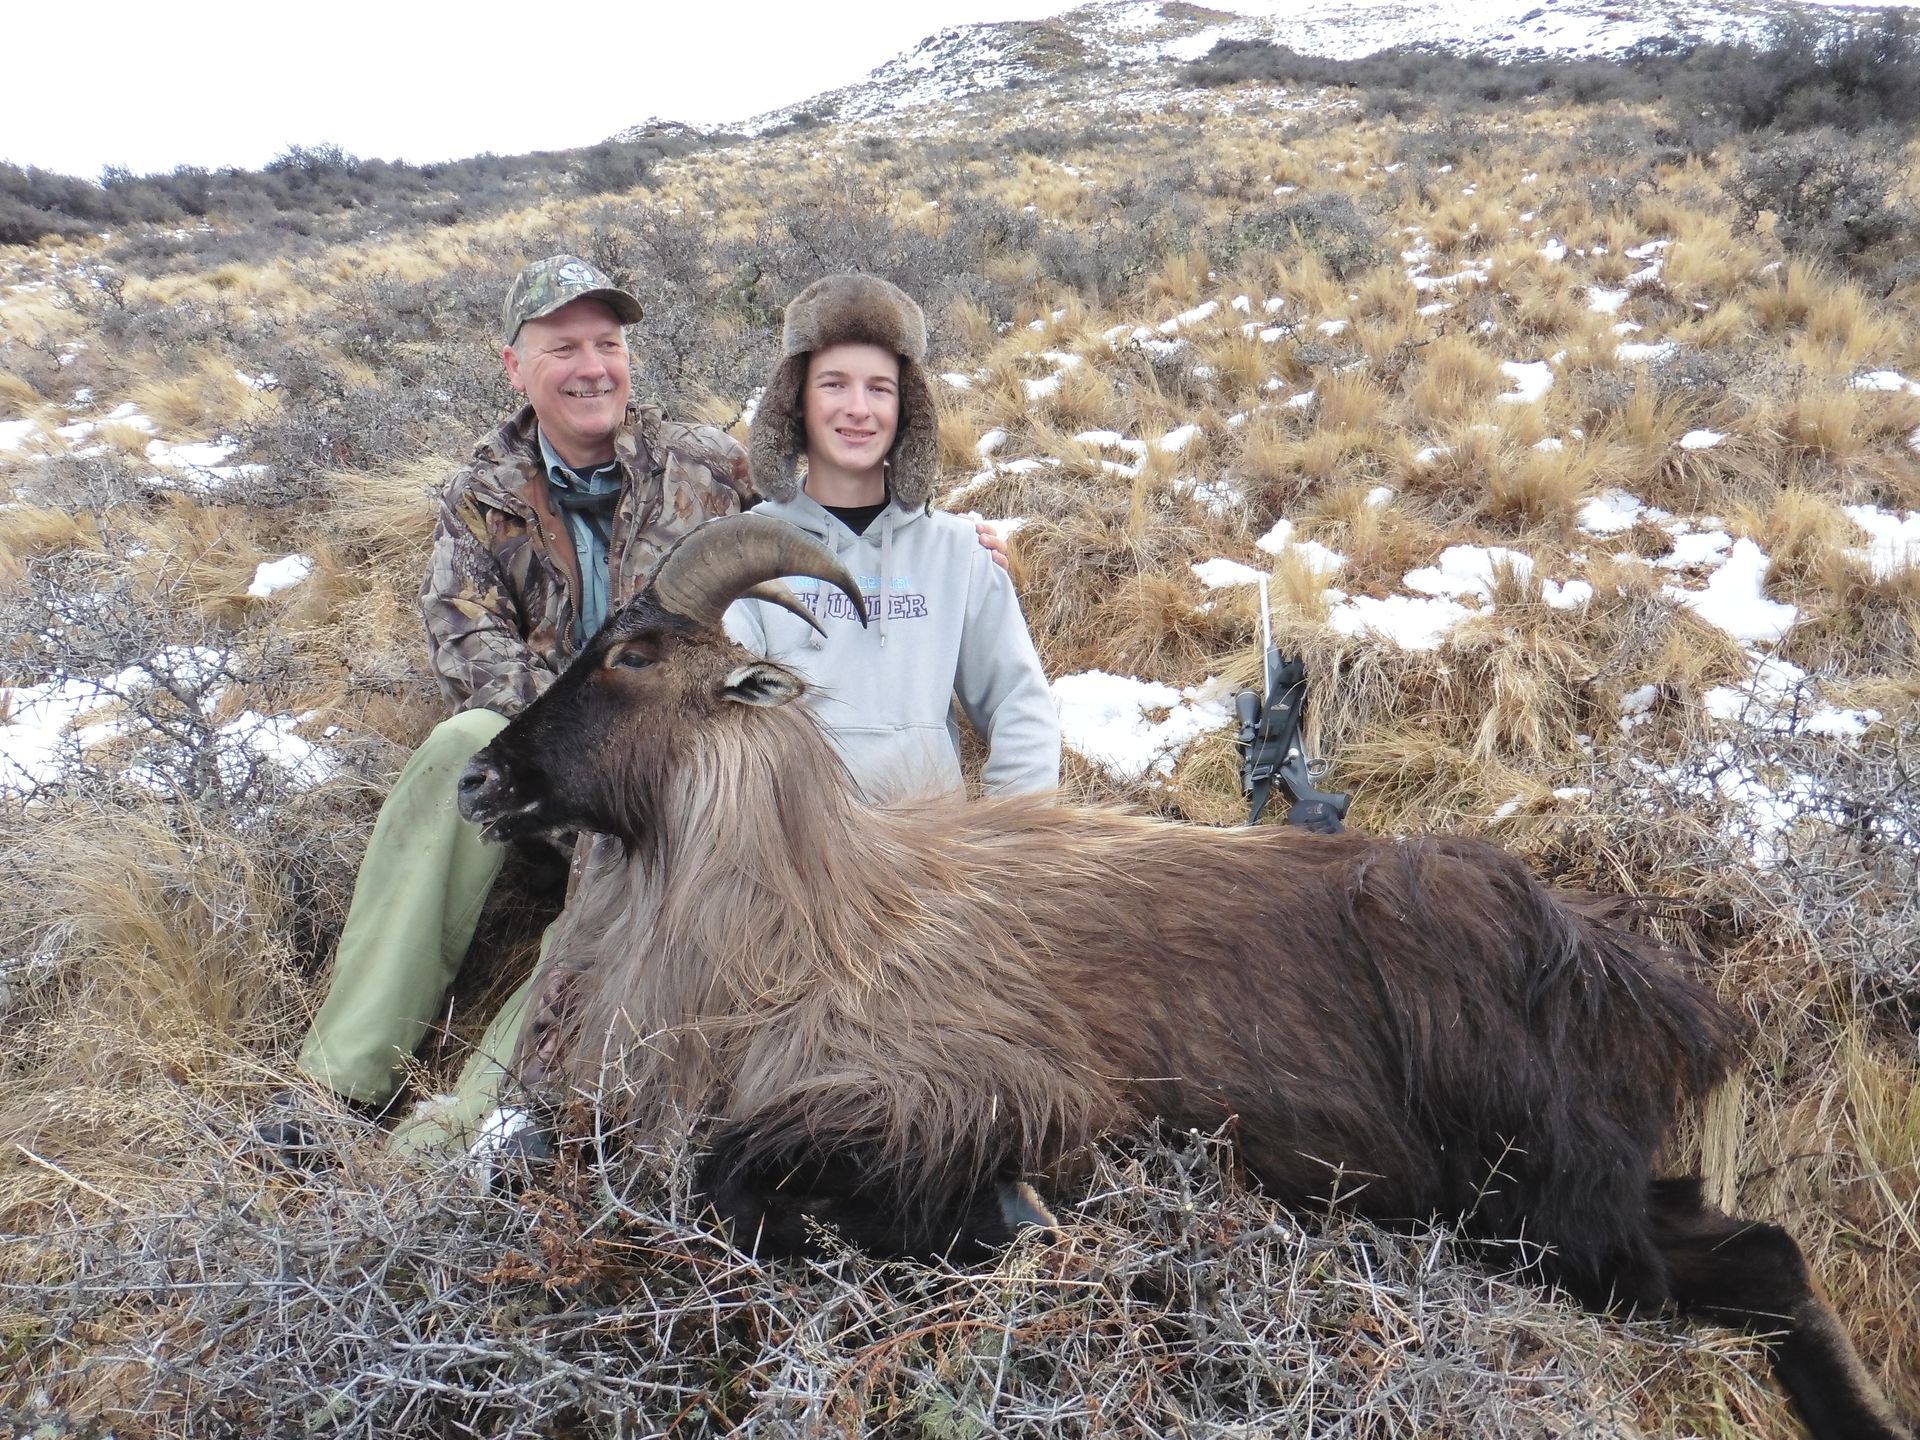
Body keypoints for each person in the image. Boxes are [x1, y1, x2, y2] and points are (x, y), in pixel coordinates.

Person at [450, 275, 1063, 1181]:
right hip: (782, 867)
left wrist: (1021, 846)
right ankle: (516, 1119)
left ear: (910, 411)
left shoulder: (956, 558)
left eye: (881, 389)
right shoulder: (744, 555)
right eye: (833, 386)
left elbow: (1018, 705)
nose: (858, 410)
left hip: (926, 877)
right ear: (794, 403)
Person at [256, 254, 754, 1160]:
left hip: (672, 790)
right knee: (459, 740)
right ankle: (340, 1084)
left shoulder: (712, 470)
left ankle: (463, 1131)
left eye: (608, 343)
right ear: (513, 366)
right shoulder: (479, 495)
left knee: (632, 898)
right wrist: (583, 760)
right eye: (563, 347)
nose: (593, 366)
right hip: (542, 774)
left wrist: (953, 539)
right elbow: (469, 649)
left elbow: (817, 546)